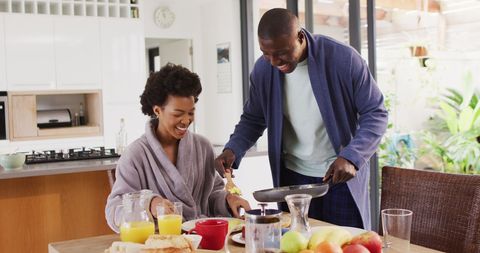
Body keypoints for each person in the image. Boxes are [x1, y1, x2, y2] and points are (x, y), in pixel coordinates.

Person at [214, 9, 387, 230]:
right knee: (296, 243)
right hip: (292, 178)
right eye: (266, 53)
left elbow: (376, 113)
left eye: (282, 52)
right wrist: (233, 149)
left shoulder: (343, 59)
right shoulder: (262, 70)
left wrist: (352, 157)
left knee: (347, 242)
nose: (275, 61)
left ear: (300, 37)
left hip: (340, 176)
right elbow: (253, 119)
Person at [106, 63, 251, 232]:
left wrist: (227, 200)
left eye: (191, 113)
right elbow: (114, 210)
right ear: (157, 110)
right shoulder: (136, 155)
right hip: (160, 244)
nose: (186, 120)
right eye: (178, 114)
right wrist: (150, 204)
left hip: (202, 242)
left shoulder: (203, 147)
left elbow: (211, 194)